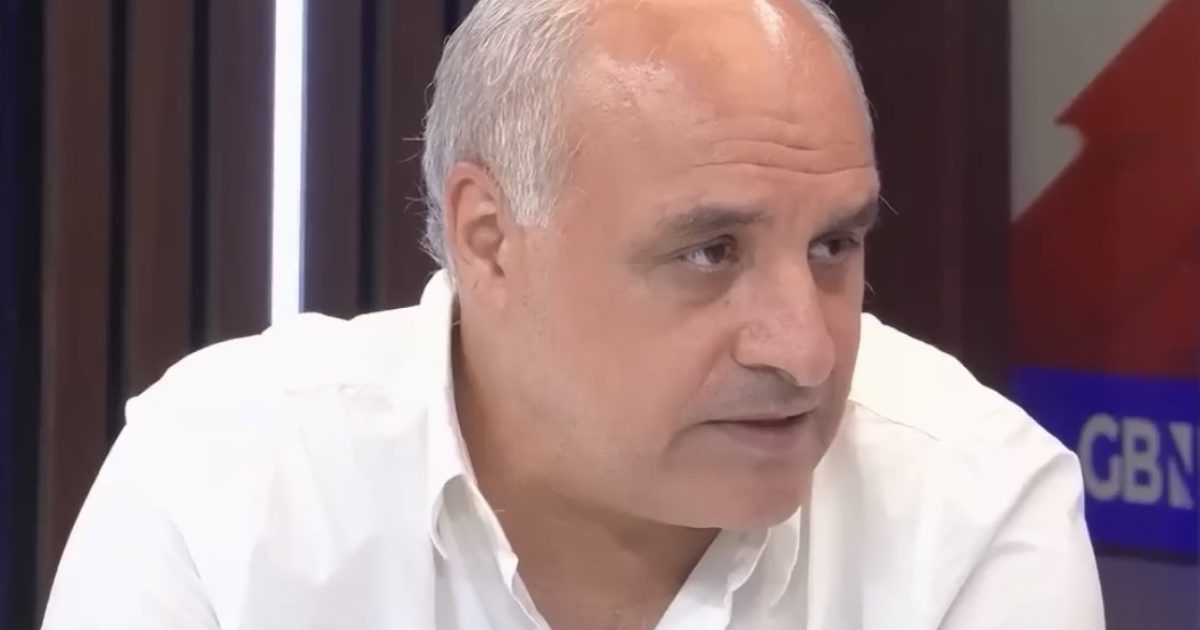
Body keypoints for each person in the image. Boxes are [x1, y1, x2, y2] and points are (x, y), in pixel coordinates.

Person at [41, 0, 1105, 628]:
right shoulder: (228, 486)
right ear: (489, 236)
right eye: (708, 251)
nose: (809, 348)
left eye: (834, 244)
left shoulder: (974, 506)